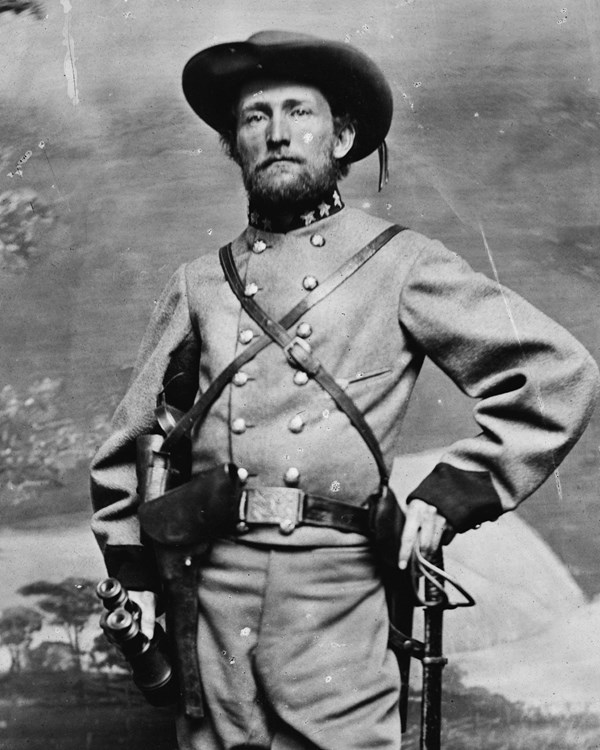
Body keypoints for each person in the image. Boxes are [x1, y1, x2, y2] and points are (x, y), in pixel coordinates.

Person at [90, 30, 599, 750]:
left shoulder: (401, 263)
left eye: (298, 111)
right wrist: (134, 574)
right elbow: (127, 443)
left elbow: (557, 375)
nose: (275, 133)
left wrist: (453, 493)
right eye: (254, 117)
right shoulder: (199, 283)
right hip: (212, 598)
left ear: (343, 135)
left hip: (338, 594)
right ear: (234, 146)